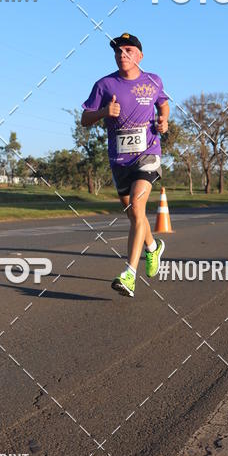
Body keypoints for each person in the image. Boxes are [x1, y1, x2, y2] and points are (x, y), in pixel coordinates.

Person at [81, 32, 169, 297]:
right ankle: (153, 247)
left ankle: (129, 275)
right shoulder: (104, 85)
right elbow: (85, 118)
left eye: (128, 50)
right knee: (133, 214)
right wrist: (103, 113)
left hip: (148, 154)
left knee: (139, 207)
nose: (122, 55)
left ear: (139, 56)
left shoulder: (153, 81)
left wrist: (163, 121)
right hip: (119, 159)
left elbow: (163, 104)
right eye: (118, 51)